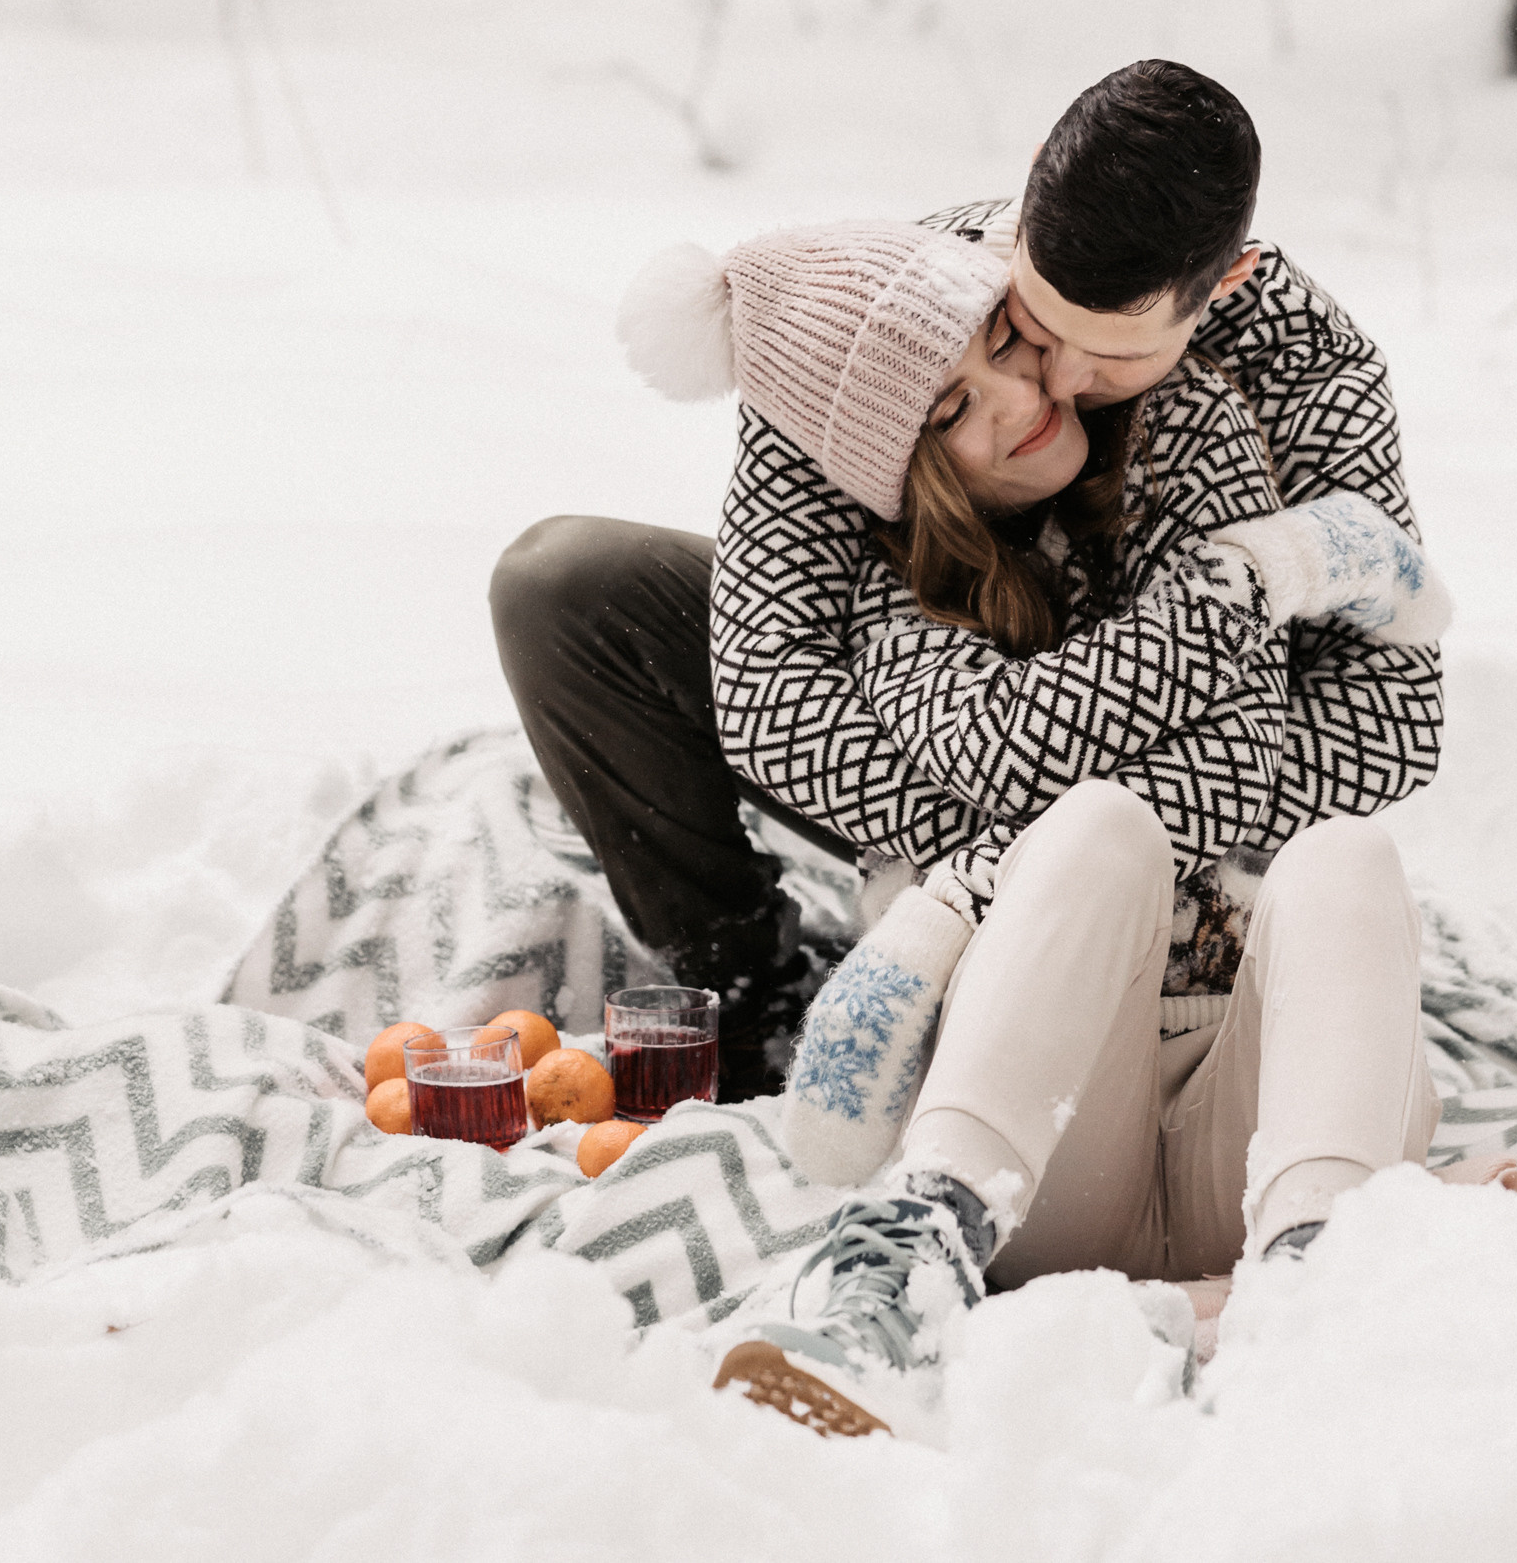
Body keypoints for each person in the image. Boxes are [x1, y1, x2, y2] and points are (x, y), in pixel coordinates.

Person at [602, 208, 1457, 1440]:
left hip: (1255, 1118)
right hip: (1052, 1149)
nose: (1014, 398)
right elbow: (1011, 745)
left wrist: (1046, 789)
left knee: (1345, 854)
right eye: (947, 411)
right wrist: (1247, 583)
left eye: (1002, 343)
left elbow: (1280, 747)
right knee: (1101, 826)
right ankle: (903, 1278)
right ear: (894, 470)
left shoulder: (1182, 451)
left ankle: (1317, 1276)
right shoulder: (901, 604)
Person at [490, 60, 1446, 1094]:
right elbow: (772, 690)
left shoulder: (1303, 372)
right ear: (1032, 185)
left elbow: (1387, 724)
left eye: (1111, 357)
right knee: (568, 584)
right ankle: (759, 1001)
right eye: (1031, 320)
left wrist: (1108, 832)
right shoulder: (882, 299)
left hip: (1201, 761)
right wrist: (1000, 824)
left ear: (1221, 284)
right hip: (934, 698)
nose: (1056, 380)